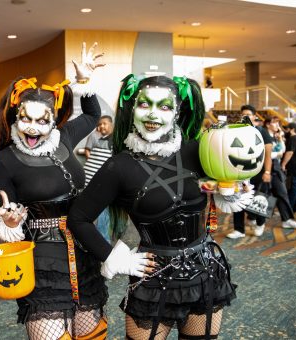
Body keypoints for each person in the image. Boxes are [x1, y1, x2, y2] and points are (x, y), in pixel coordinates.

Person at [68, 74, 237, 340]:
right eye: (145, 104)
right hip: (153, 278)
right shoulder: (119, 167)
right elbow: (78, 218)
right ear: (132, 108)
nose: (153, 114)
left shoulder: (198, 151)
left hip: (205, 272)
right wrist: (114, 257)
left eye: (165, 106)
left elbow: (224, 182)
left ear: (178, 111)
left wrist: (232, 191)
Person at [0, 42, 109, 339]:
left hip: (83, 251)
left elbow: (93, 115)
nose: (32, 128)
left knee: (91, 334)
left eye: (42, 121)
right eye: (26, 119)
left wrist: (84, 80)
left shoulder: (65, 137)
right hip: (42, 261)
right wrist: (9, 221)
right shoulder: (4, 161)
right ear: (16, 117)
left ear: (53, 121)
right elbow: (5, 215)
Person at [227, 105, 273, 239]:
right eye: (242, 114)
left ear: (254, 116)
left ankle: (260, 222)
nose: (245, 117)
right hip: (240, 172)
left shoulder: (261, 132)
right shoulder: (238, 131)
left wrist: (268, 172)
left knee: (258, 198)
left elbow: (268, 154)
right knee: (237, 199)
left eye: (248, 114)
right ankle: (239, 230)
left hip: (258, 171)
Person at [84, 115, 114, 241]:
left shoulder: (114, 141)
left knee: (102, 218)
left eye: (105, 123)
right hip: (88, 184)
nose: (101, 126)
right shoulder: (101, 140)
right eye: (99, 124)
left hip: (101, 187)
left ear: (111, 124)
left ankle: (104, 244)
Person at [281, 122, 296, 218]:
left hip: (294, 167)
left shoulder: (293, 138)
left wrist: (283, 164)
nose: (286, 131)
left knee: (293, 188)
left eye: (287, 129)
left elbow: (290, 152)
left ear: (291, 129)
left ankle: (289, 209)